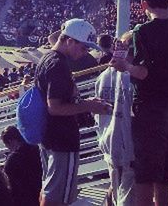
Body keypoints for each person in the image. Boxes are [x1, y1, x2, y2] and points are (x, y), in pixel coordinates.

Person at [110, 0, 168, 206]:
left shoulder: (141, 32)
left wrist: (124, 66)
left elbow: (143, 72)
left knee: (145, 174)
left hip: (148, 109)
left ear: (144, 4)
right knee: (166, 174)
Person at [35, 18, 112, 206]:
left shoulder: (48, 58)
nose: (85, 52)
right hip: (62, 139)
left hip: (50, 136)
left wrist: (85, 102)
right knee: (58, 195)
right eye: (84, 47)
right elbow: (55, 107)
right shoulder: (58, 65)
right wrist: (90, 106)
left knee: (49, 188)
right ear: (70, 41)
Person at [95, 33, 135, 206]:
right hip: (129, 144)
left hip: (109, 141)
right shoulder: (131, 77)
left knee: (117, 189)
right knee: (128, 195)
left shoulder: (103, 76)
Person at [1, 125, 42, 206]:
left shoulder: (11, 161)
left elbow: (10, 185)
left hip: (25, 200)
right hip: (42, 193)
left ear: (10, 141)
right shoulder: (36, 149)